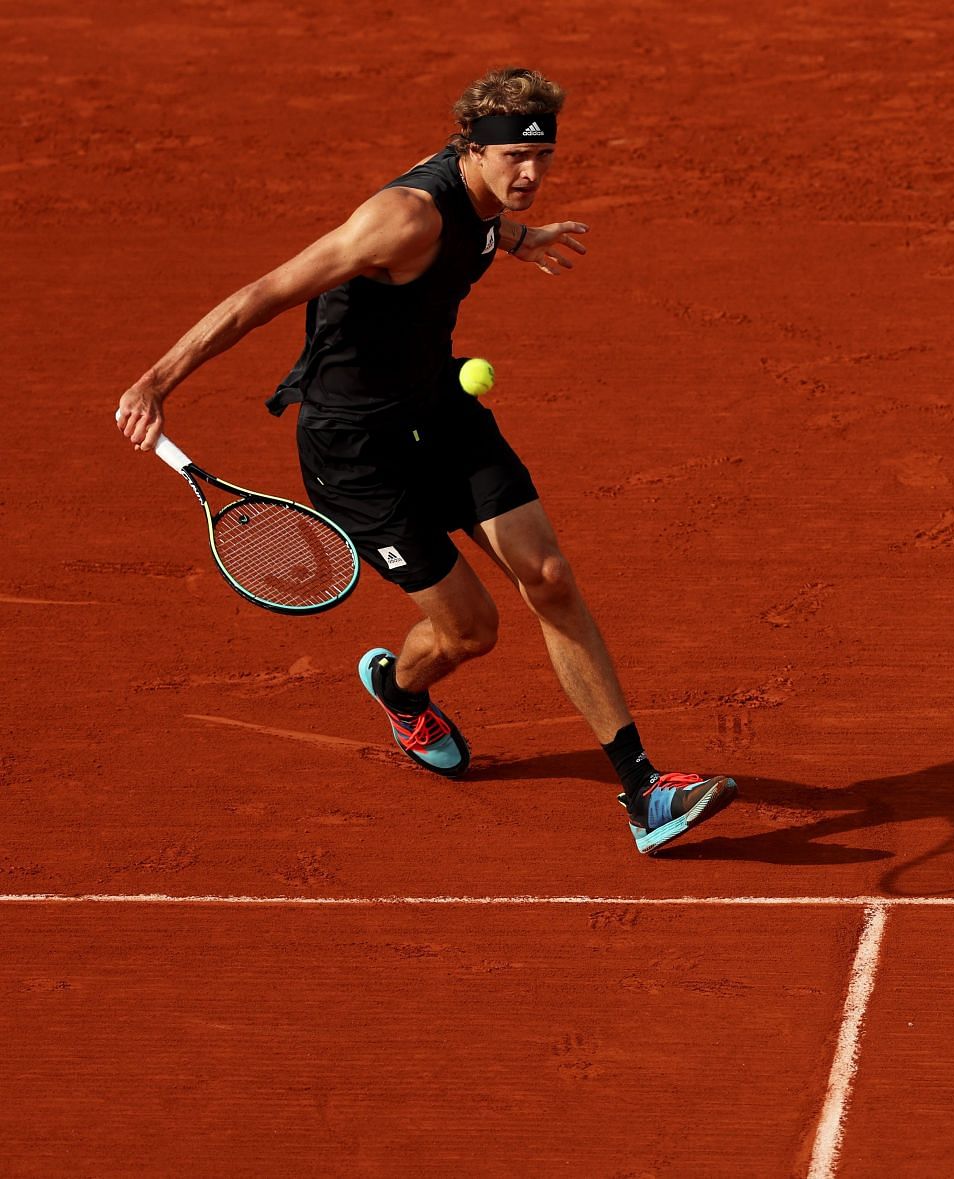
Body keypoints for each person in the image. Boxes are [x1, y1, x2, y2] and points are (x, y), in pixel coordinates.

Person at [114, 67, 736, 856]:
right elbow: (262, 293)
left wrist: (517, 237)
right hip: (357, 451)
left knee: (547, 576)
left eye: (542, 159)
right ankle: (400, 690)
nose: (531, 174)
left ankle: (643, 789)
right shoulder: (400, 219)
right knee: (472, 631)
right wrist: (155, 382)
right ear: (470, 150)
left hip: (438, 410)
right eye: (515, 158)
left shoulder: (483, 203)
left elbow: (475, 225)